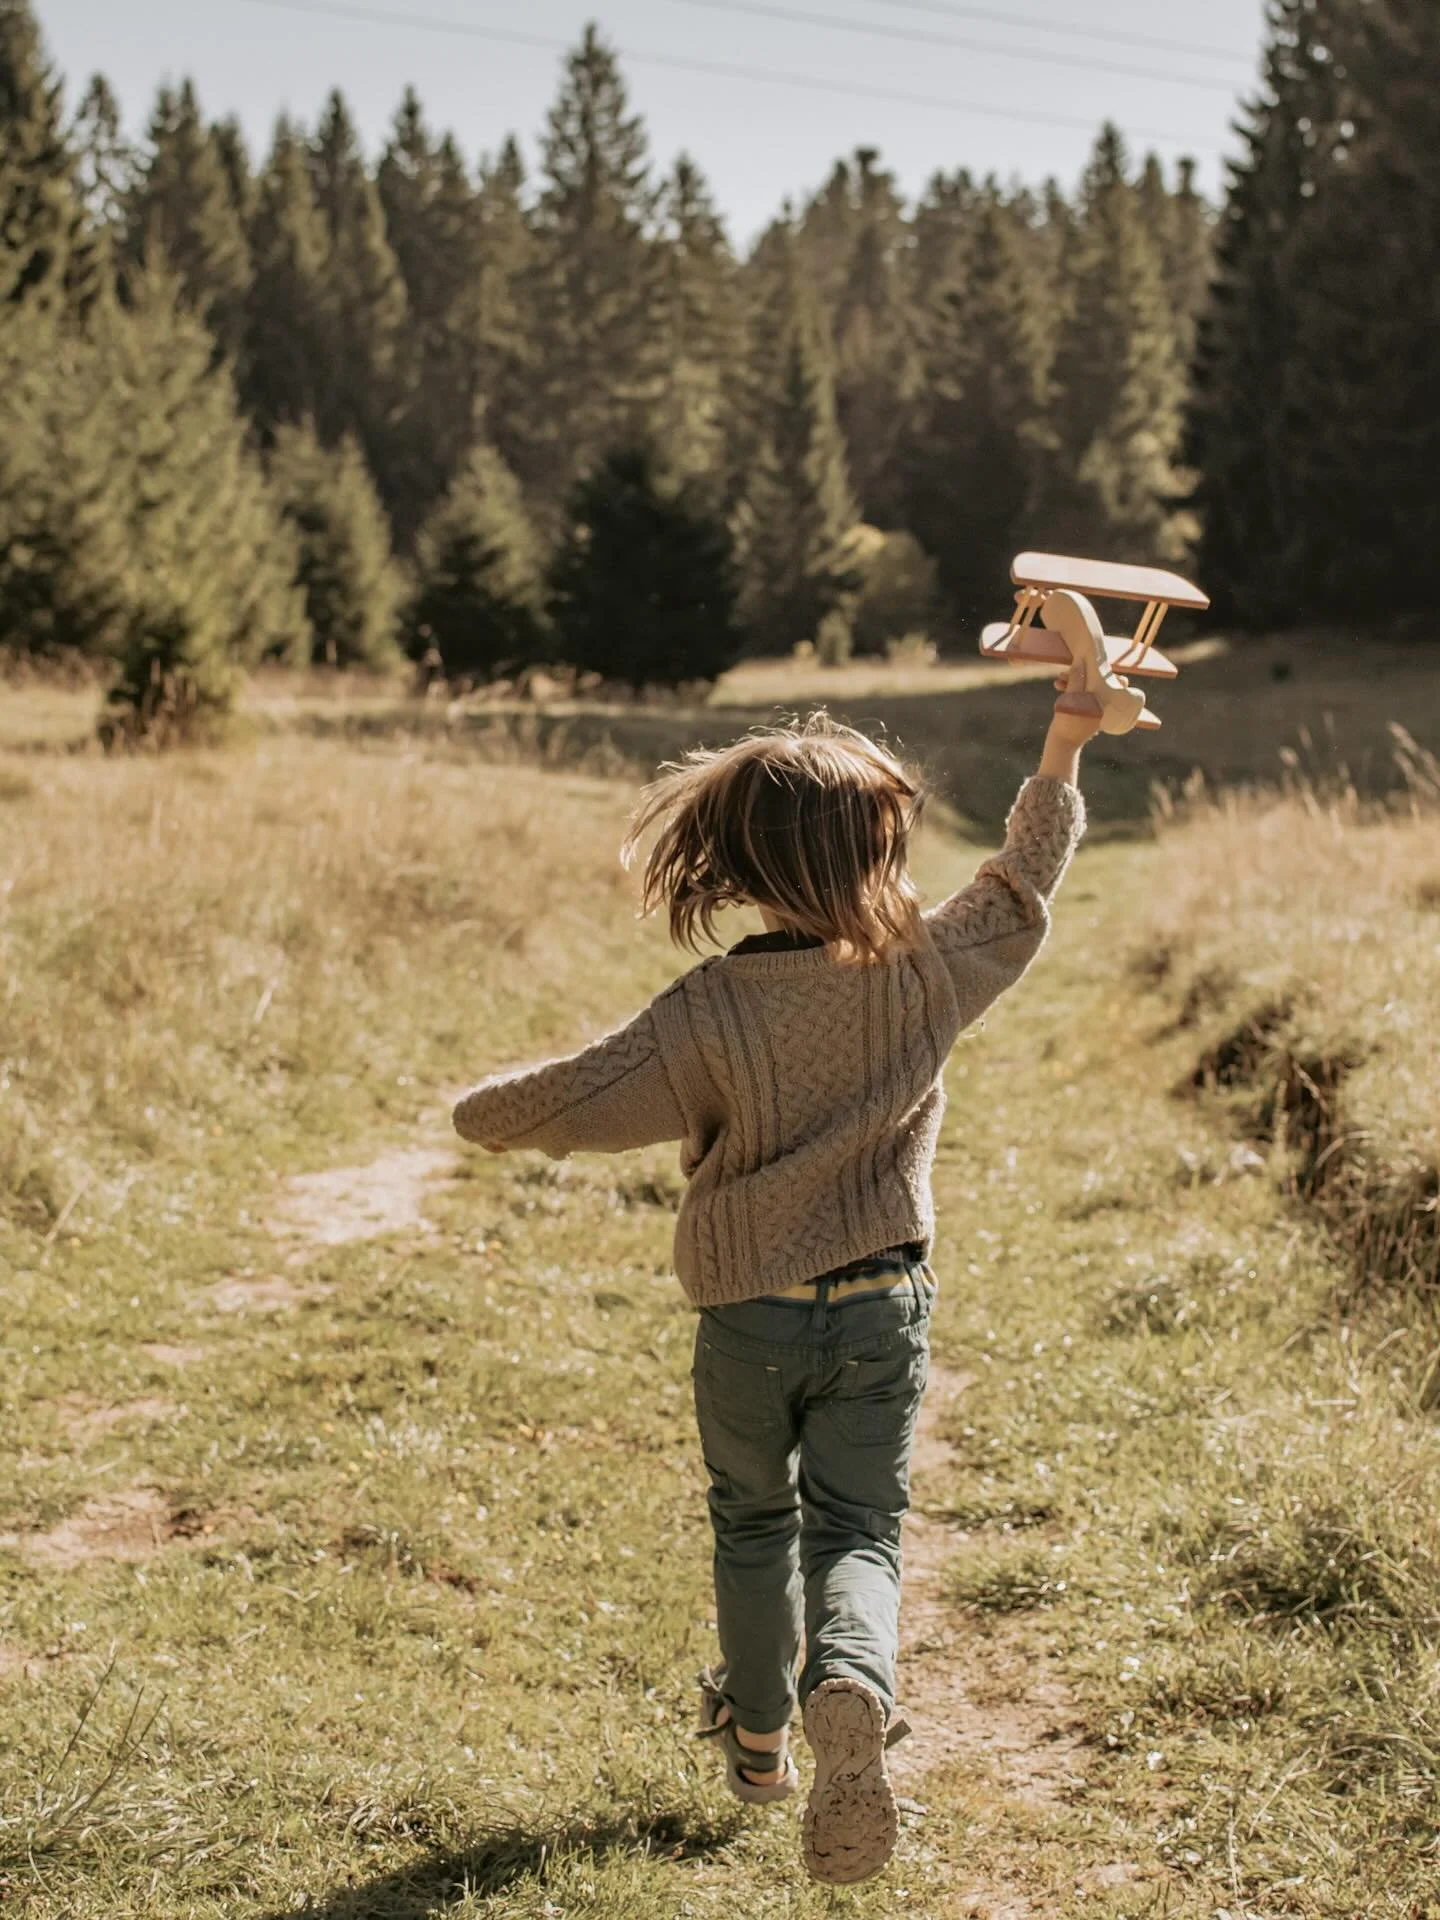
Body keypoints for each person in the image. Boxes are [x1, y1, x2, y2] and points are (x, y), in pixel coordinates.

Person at [453, 699, 1097, 1885]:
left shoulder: (700, 1015)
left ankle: (758, 1743)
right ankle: (850, 1679)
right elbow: (1023, 879)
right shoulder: (929, 970)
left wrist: (478, 1114)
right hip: (880, 1302)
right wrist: (1066, 738)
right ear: (874, 857)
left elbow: (547, 1106)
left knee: (752, 1521)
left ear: (744, 864)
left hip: (747, 1313)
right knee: (857, 1528)